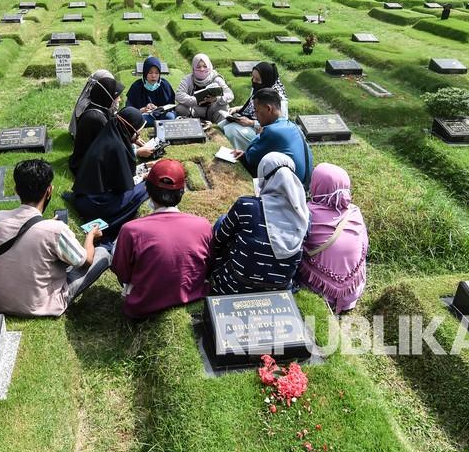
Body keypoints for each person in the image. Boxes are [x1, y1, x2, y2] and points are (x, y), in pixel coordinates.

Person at [0, 159, 109, 317]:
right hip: (42, 307)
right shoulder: (55, 230)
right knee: (102, 254)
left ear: (16, 190)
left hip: (0, 303)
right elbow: (86, 260)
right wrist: (90, 236)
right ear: (49, 190)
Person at [111, 159, 213, 319]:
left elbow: (121, 272)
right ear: (182, 192)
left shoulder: (131, 230)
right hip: (193, 297)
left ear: (147, 190)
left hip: (142, 309)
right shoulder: (204, 225)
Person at [210, 153, 309, 295]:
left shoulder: (247, 205)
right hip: (280, 291)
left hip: (234, 286)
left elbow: (218, 240)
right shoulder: (304, 215)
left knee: (222, 221)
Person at [68, 107, 150, 242]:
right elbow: (124, 186)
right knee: (146, 188)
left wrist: (145, 166)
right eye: (138, 133)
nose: (138, 137)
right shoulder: (117, 148)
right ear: (131, 129)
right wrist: (144, 176)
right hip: (95, 204)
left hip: (84, 196)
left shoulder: (109, 135)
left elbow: (119, 173)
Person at [295, 163, 368, 314]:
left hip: (320, 291)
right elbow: (364, 246)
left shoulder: (306, 212)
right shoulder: (354, 211)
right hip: (351, 293)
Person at [232, 88, 313, 189]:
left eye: (257, 111)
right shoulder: (292, 125)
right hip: (305, 184)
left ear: (268, 109)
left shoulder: (272, 131)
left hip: (293, 191)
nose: (255, 116)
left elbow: (251, 158)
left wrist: (259, 134)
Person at [219, 61, 287, 151]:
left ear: (266, 80)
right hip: (252, 121)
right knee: (222, 125)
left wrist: (251, 123)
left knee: (232, 130)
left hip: (264, 132)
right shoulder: (258, 88)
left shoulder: (278, 99)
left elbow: (279, 124)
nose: (254, 81)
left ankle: (242, 156)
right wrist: (237, 108)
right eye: (253, 77)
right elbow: (253, 106)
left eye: (257, 79)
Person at [69, 73, 124, 174]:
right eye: (117, 96)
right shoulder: (96, 118)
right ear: (107, 97)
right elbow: (108, 148)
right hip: (85, 167)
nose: (119, 99)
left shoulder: (101, 108)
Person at [175, 53, 234, 124]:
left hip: (213, 109)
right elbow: (178, 95)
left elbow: (230, 95)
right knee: (180, 108)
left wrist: (216, 99)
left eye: (205, 66)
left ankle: (218, 127)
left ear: (209, 66)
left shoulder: (216, 79)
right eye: (198, 67)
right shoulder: (188, 79)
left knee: (223, 106)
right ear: (193, 67)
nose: (202, 69)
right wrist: (195, 100)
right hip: (195, 109)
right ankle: (192, 125)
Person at [125, 56, 176, 127]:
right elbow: (128, 108)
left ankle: (157, 122)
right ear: (145, 73)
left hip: (162, 115)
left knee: (170, 117)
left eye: (157, 73)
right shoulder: (136, 86)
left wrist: (158, 109)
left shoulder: (165, 85)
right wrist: (142, 110)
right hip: (144, 115)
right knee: (138, 119)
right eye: (150, 72)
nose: (153, 76)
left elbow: (171, 105)